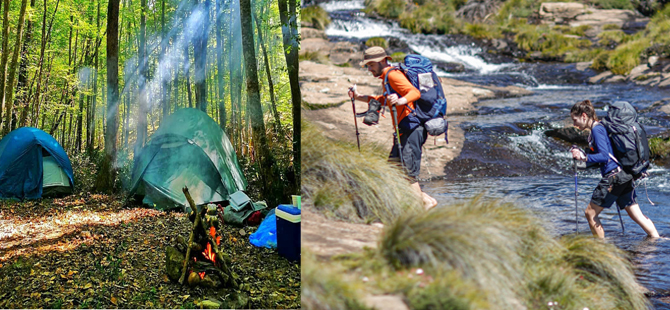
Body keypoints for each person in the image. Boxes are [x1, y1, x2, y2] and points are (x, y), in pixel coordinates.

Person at [348, 46, 437, 210]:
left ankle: (419, 211)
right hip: (404, 130)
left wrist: (402, 100)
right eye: (367, 65)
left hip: (412, 129)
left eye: (371, 65)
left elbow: (414, 93)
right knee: (393, 169)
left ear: (382, 61)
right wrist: (359, 97)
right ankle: (427, 202)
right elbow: (383, 99)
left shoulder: (393, 75)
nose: (369, 69)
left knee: (408, 174)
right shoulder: (387, 77)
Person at [570, 99, 659, 238]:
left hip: (614, 177)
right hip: (623, 175)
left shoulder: (597, 129)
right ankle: (656, 239)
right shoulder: (600, 128)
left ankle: (601, 252)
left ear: (584, 116)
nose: (574, 124)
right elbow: (604, 155)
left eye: (575, 120)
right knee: (635, 214)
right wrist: (584, 158)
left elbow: (604, 157)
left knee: (590, 213)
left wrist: (584, 157)